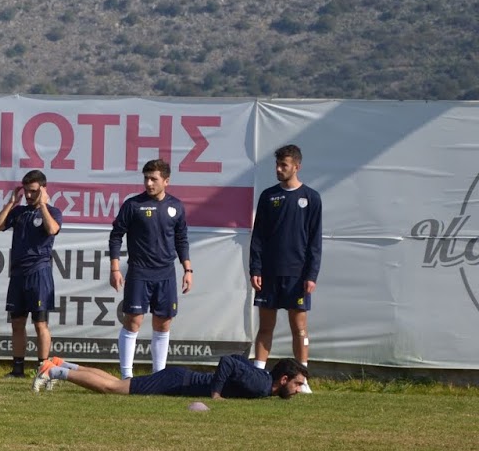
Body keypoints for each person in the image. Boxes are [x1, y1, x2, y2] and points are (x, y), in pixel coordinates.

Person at [108, 159, 191, 378]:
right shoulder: (133, 205)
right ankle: (126, 376)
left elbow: (181, 239)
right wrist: (115, 269)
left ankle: (159, 375)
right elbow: (116, 236)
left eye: (153, 179)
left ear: (166, 181)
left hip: (166, 274)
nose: (148, 183)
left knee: (163, 324)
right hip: (139, 272)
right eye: (146, 178)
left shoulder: (176, 206)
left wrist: (188, 270)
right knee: (133, 321)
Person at [250, 143, 322, 394]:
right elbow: (258, 237)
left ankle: (302, 380)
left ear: (296, 167)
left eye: (284, 165)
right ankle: (258, 377)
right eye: (277, 165)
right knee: (265, 327)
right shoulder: (268, 196)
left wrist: (311, 274)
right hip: (269, 273)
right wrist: (255, 269)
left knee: (299, 328)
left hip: (297, 275)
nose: (279, 169)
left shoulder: (311, 198)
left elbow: (315, 241)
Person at [0, 168, 62, 381]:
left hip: (39, 273)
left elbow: (52, 229)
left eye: (33, 191)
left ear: (43, 189)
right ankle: (17, 369)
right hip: (18, 275)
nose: (29, 195)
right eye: (26, 191)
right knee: (17, 324)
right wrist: (12, 203)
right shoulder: (19, 212)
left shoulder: (53, 211)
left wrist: (43, 205)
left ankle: (43, 369)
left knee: (40, 324)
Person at [35, 354, 307, 400]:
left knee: (116, 383)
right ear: (283, 380)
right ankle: (55, 372)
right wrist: (215, 393)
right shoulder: (260, 385)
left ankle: (60, 363)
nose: (298, 390)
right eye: (297, 384)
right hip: (177, 381)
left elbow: (237, 359)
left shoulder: (262, 380)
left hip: (179, 378)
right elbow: (228, 361)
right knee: (113, 388)